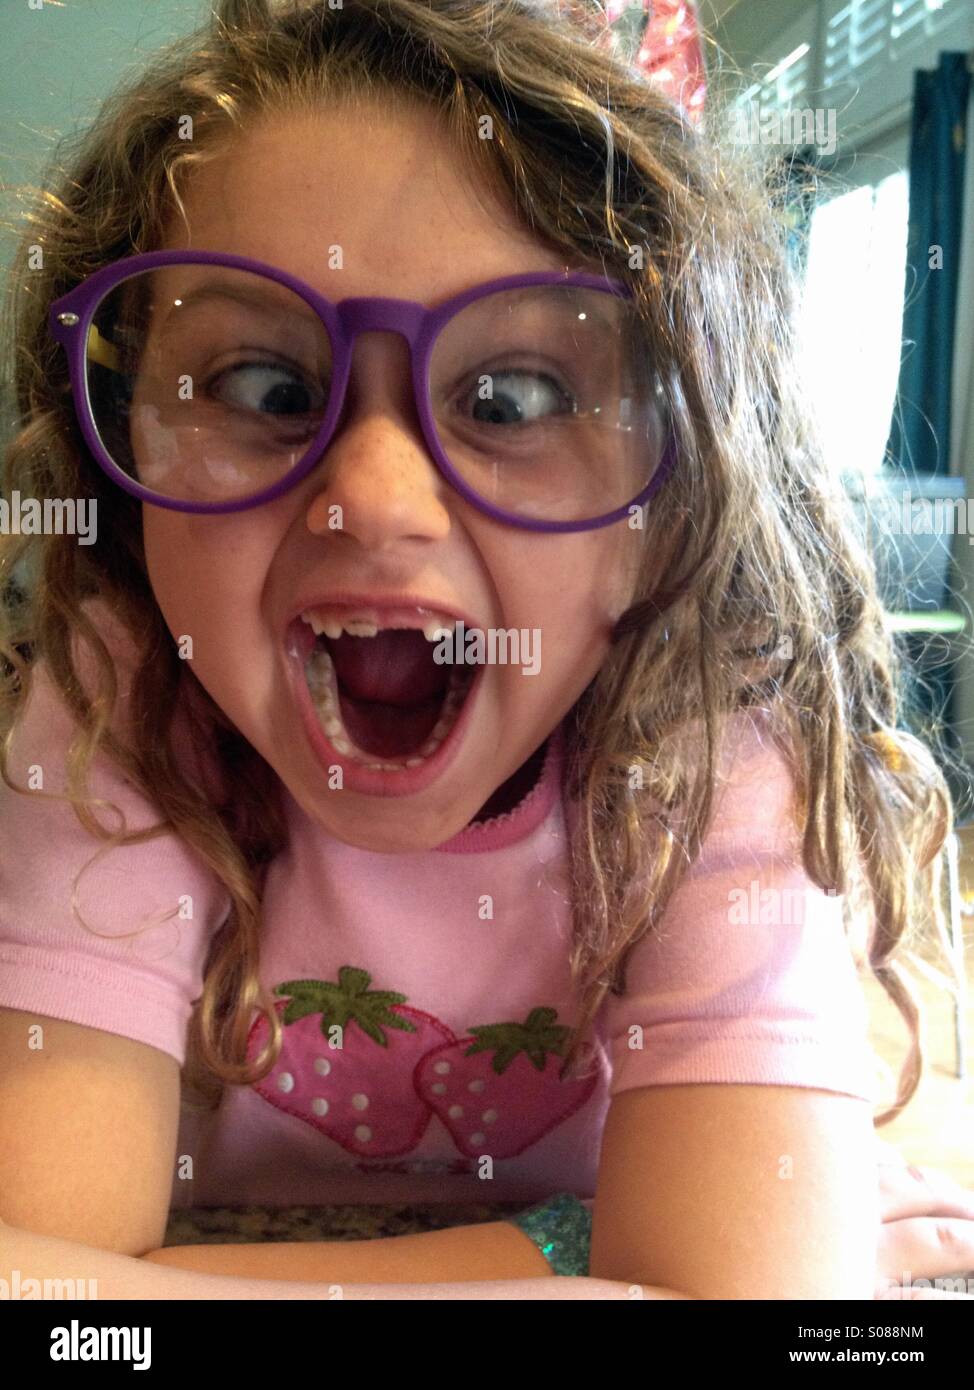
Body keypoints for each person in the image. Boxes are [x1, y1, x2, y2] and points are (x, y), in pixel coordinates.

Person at [0, 0, 971, 1300]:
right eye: (265, 390)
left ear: (664, 510)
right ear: (130, 491)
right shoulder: (125, 698)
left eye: (511, 398)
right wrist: (563, 1255)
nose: (375, 501)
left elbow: (736, 1293)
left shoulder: (711, 749)